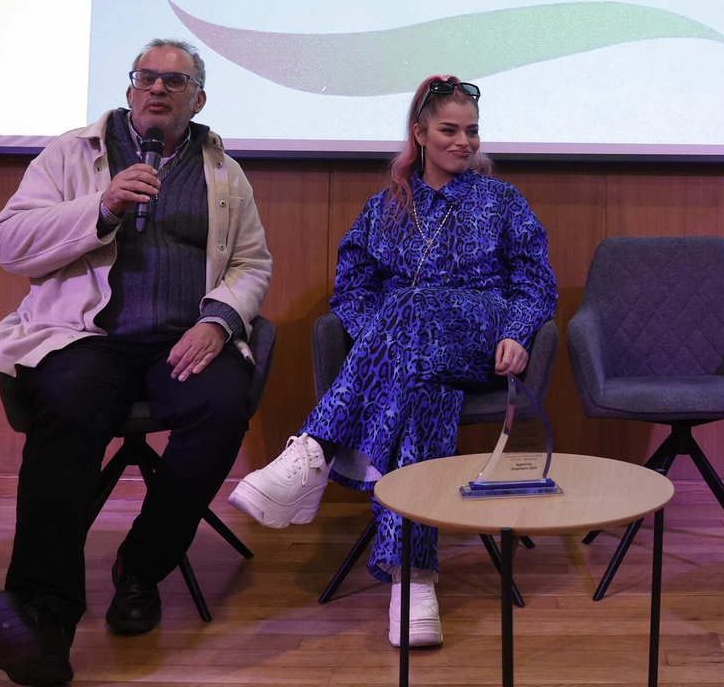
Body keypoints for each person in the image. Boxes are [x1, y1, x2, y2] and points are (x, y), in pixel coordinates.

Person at [0, 39, 272, 686]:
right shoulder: (70, 154)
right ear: (131, 87)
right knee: (66, 407)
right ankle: (43, 617)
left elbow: (251, 263)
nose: (159, 89)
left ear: (199, 98)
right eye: (147, 77)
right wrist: (101, 207)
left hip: (182, 339)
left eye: (176, 81)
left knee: (223, 406)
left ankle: (140, 566)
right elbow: (9, 242)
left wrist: (219, 320)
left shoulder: (225, 172)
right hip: (88, 337)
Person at [228, 74, 556, 648]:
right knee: (420, 380)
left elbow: (535, 284)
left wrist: (518, 333)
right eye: (449, 130)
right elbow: (350, 291)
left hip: (480, 339)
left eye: (472, 131)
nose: (464, 142)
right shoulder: (385, 208)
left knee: (409, 302)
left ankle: (313, 451)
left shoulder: (503, 202)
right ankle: (415, 578)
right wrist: (388, 343)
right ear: (419, 132)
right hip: (421, 359)